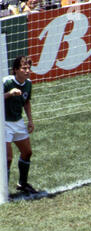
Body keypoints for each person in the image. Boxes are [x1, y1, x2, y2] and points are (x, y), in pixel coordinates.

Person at [3, 56, 38, 194]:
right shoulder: (6, 82)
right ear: (16, 70)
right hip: (3, 123)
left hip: (17, 122)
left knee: (27, 152)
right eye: (24, 68)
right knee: (7, 158)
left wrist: (30, 120)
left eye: (29, 68)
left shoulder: (28, 84)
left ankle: (22, 184)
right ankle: (3, 190)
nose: (27, 71)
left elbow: (26, 102)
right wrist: (9, 94)